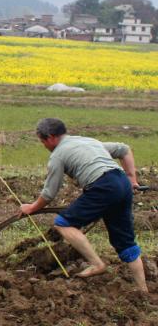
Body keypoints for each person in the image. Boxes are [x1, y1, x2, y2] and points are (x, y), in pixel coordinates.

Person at [20, 118, 148, 293]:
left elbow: (49, 193)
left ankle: (96, 264)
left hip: (103, 186)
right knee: (126, 243)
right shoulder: (88, 141)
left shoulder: (58, 155)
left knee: (63, 223)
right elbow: (123, 149)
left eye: (42, 141)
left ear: (50, 137)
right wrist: (131, 179)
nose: (44, 145)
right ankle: (143, 291)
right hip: (121, 184)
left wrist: (31, 207)